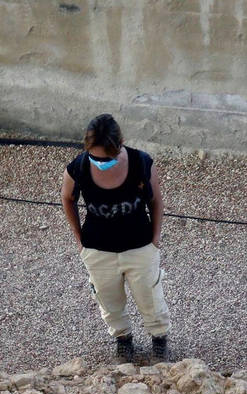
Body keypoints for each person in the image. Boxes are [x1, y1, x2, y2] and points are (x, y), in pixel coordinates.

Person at [61, 113, 171, 361]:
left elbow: (156, 200)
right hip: (98, 249)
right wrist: (79, 239)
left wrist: (155, 240)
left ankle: (159, 340)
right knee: (108, 300)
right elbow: (67, 199)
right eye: (95, 158)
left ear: (120, 144)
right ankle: (123, 340)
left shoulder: (142, 163)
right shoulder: (77, 168)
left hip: (140, 246)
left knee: (150, 297)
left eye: (107, 159)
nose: (101, 162)